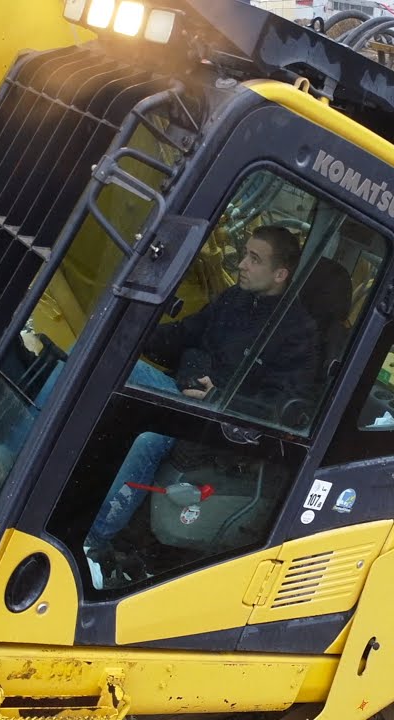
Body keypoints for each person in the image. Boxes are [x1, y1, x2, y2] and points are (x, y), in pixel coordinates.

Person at [86, 226, 318, 551]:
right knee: (93, 364)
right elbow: (187, 333)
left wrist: (220, 396)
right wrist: (127, 334)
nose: (242, 264)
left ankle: (95, 540)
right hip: (184, 394)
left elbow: (282, 406)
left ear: (280, 273)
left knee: (147, 438)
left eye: (254, 259)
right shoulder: (235, 299)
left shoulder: (297, 332)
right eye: (244, 255)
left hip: (222, 422)